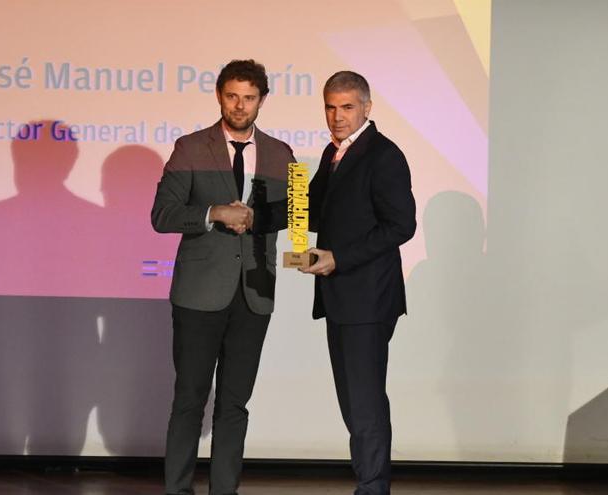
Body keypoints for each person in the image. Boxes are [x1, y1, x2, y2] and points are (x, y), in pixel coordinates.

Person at [151, 59, 292, 495]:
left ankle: (224, 490)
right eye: (232, 96)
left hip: (254, 292)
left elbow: (294, 215)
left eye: (249, 98)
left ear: (262, 100)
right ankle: (177, 489)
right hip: (198, 294)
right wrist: (215, 213)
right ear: (219, 96)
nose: (240, 105)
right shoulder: (190, 147)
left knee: (235, 403)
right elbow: (163, 215)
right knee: (190, 400)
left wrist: (255, 217)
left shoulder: (282, 154)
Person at [301, 71, 417, 495]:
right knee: (353, 401)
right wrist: (274, 200)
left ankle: (373, 487)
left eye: (346, 107)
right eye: (330, 107)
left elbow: (401, 225)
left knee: (364, 402)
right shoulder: (335, 154)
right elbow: (313, 213)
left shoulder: (383, 155)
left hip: (368, 298)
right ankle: (369, 482)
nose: (336, 116)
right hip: (342, 298)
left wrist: (339, 257)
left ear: (367, 108)